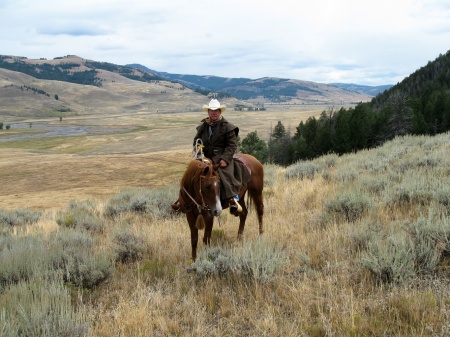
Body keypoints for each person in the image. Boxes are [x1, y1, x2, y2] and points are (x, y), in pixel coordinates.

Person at [172, 98, 244, 213]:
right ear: (208, 112)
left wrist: (225, 159)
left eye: (216, 110)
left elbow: (231, 145)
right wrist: (199, 152)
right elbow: (196, 140)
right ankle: (183, 199)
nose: (213, 112)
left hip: (221, 157)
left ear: (220, 112)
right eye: (211, 110)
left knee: (223, 173)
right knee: (192, 173)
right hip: (205, 157)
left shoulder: (228, 127)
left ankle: (232, 198)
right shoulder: (203, 126)